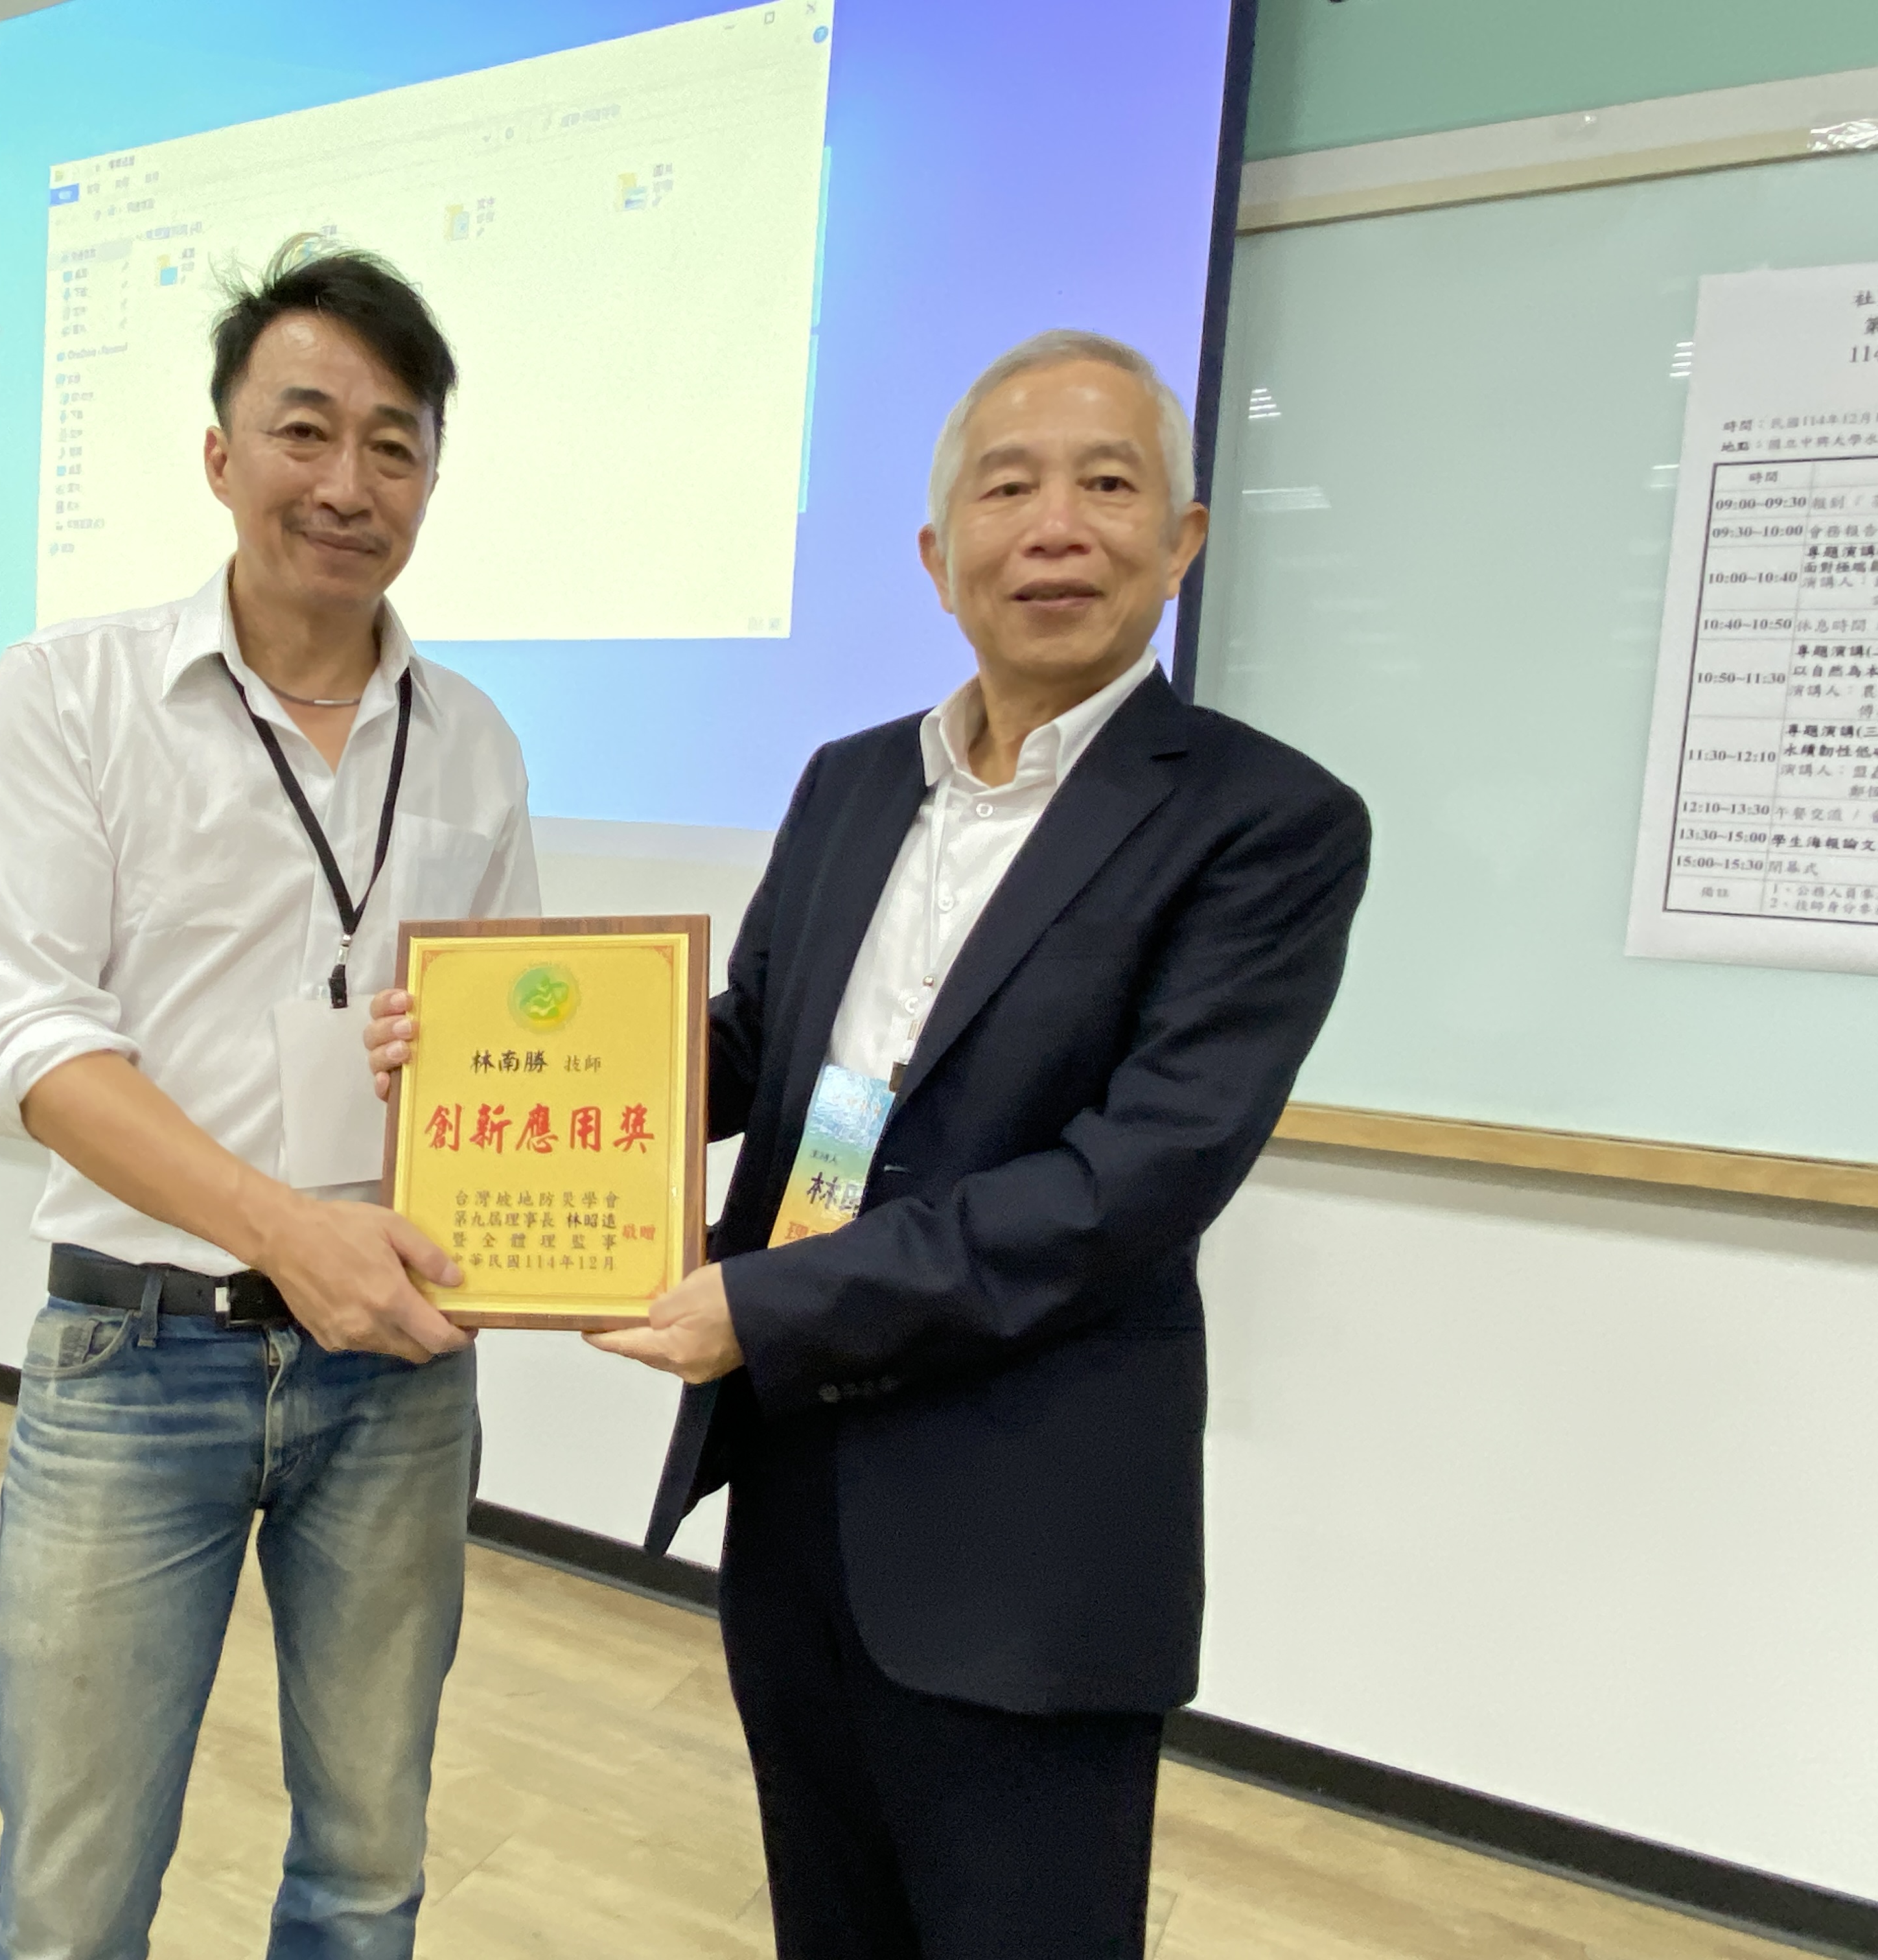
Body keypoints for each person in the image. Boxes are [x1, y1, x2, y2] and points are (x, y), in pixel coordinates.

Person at [368, 329, 1370, 1957]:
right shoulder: (849, 785)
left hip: (1027, 1537)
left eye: (1110, 485)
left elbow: (1130, 1186)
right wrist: (486, 1058)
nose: (1057, 527)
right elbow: (757, 1050)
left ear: (1184, 538)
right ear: (936, 552)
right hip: (798, 1491)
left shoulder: (1267, 822)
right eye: (1010, 487)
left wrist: (764, 1304)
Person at [0, 244, 537, 1960]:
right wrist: (286, 1230)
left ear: (430, 478)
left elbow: (511, 1051)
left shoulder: (475, 740)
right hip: (140, 1357)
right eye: (305, 430)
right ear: (221, 455)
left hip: (399, 1378)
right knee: (74, 1892)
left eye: (394, 445)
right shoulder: (70, 695)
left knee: (366, 1868)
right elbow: (31, 1041)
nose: (349, 483)